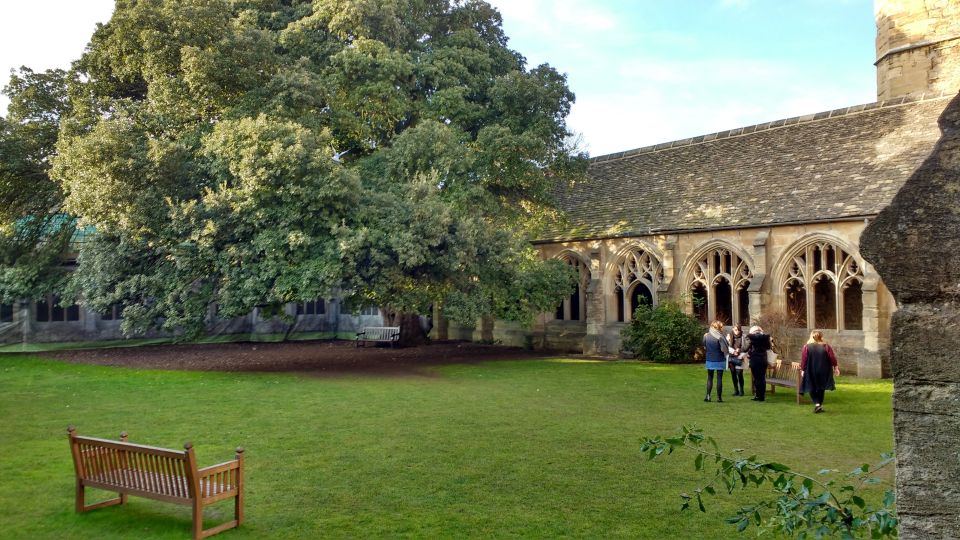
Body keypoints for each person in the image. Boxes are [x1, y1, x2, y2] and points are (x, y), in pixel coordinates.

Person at [800, 330, 840, 413]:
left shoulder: (806, 347)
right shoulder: (826, 346)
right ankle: (819, 406)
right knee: (821, 387)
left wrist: (803, 369)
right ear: (821, 337)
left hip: (811, 369)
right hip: (824, 370)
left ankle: (817, 404)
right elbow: (832, 357)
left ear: (811, 336)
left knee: (810, 386)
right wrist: (836, 367)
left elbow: (804, 359)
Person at [702, 320, 729, 402]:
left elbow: (704, 346)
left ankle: (708, 396)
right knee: (719, 378)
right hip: (720, 359)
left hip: (710, 358)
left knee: (710, 378)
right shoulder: (721, 336)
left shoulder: (706, 335)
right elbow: (723, 349)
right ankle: (719, 398)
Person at [744, 325, 772, 401]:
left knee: (756, 378)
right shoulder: (765, 338)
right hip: (763, 360)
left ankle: (758, 395)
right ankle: (762, 396)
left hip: (755, 360)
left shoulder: (751, 338)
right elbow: (769, 347)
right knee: (762, 378)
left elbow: (745, 349)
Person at [727, 324, 746, 396]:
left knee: (739, 373)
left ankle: (741, 390)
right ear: (732, 329)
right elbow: (727, 346)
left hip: (739, 357)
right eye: (735, 330)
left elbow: (746, 348)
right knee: (733, 374)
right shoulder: (729, 336)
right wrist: (733, 351)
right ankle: (736, 390)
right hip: (731, 357)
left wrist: (739, 351)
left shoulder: (743, 336)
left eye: (738, 330)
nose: (736, 331)